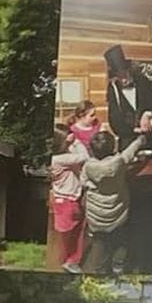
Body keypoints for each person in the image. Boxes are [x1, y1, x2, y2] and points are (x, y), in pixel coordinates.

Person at [78, 127, 152, 274]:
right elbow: (129, 153)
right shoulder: (118, 162)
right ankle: (118, 264)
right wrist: (140, 140)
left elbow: (83, 182)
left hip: (96, 215)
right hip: (117, 211)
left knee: (101, 244)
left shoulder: (88, 166)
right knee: (120, 239)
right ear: (113, 147)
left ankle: (101, 269)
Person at [47, 114, 93, 271]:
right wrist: (77, 141)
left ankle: (65, 259)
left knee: (67, 235)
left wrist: (68, 141)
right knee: (76, 232)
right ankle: (71, 262)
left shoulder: (55, 158)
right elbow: (84, 157)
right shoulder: (60, 159)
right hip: (69, 201)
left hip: (61, 200)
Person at [101, 45, 152, 149]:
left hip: (149, 137)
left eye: (124, 74)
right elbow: (114, 120)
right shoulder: (113, 89)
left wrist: (147, 114)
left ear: (129, 70)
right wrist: (133, 130)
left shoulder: (142, 81)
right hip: (127, 141)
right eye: (119, 76)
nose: (123, 79)